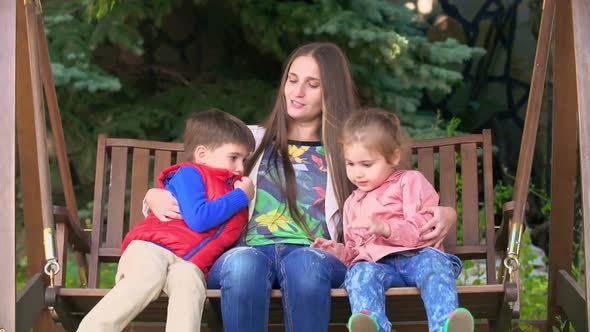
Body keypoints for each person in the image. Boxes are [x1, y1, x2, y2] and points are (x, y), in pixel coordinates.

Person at [144, 42, 458, 332]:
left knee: (304, 263)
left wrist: (446, 213)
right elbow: (192, 176)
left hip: (315, 254)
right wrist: (154, 195)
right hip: (248, 250)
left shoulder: (348, 150)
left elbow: (393, 185)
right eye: (292, 80)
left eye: (312, 84)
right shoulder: (249, 140)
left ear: (330, 92)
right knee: (243, 263)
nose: (297, 92)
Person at [77, 109, 256, 332]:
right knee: (149, 275)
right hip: (153, 248)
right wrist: (240, 197)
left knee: (190, 284)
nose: (241, 167)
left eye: (245, 159)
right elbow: (199, 219)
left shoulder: (235, 191)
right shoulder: (191, 174)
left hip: (188, 264)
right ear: (202, 154)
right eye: (234, 157)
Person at [311, 108, 474, 332]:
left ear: (394, 157)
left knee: (435, 265)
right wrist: (337, 251)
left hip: (416, 257)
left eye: (366, 165)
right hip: (380, 267)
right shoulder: (351, 203)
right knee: (360, 273)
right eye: (350, 164)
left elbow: (424, 229)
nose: (357, 173)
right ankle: (373, 325)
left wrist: (386, 228)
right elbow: (355, 252)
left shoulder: (409, 181)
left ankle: (446, 323)